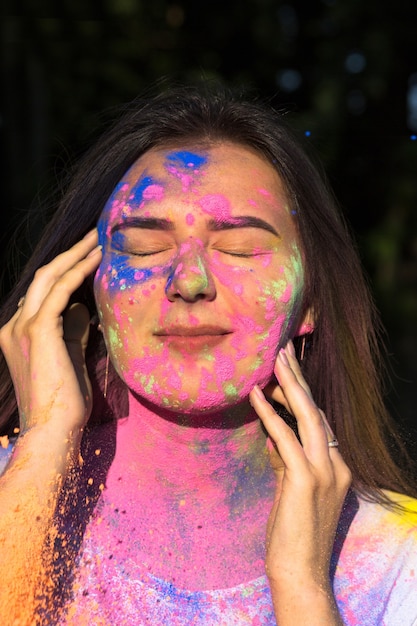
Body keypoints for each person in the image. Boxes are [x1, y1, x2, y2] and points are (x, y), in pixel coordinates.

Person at [0, 84, 416, 626]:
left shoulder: (396, 559)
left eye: (240, 249)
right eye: (145, 247)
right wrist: (45, 447)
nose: (189, 281)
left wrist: (303, 589)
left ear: (309, 299)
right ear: (87, 287)